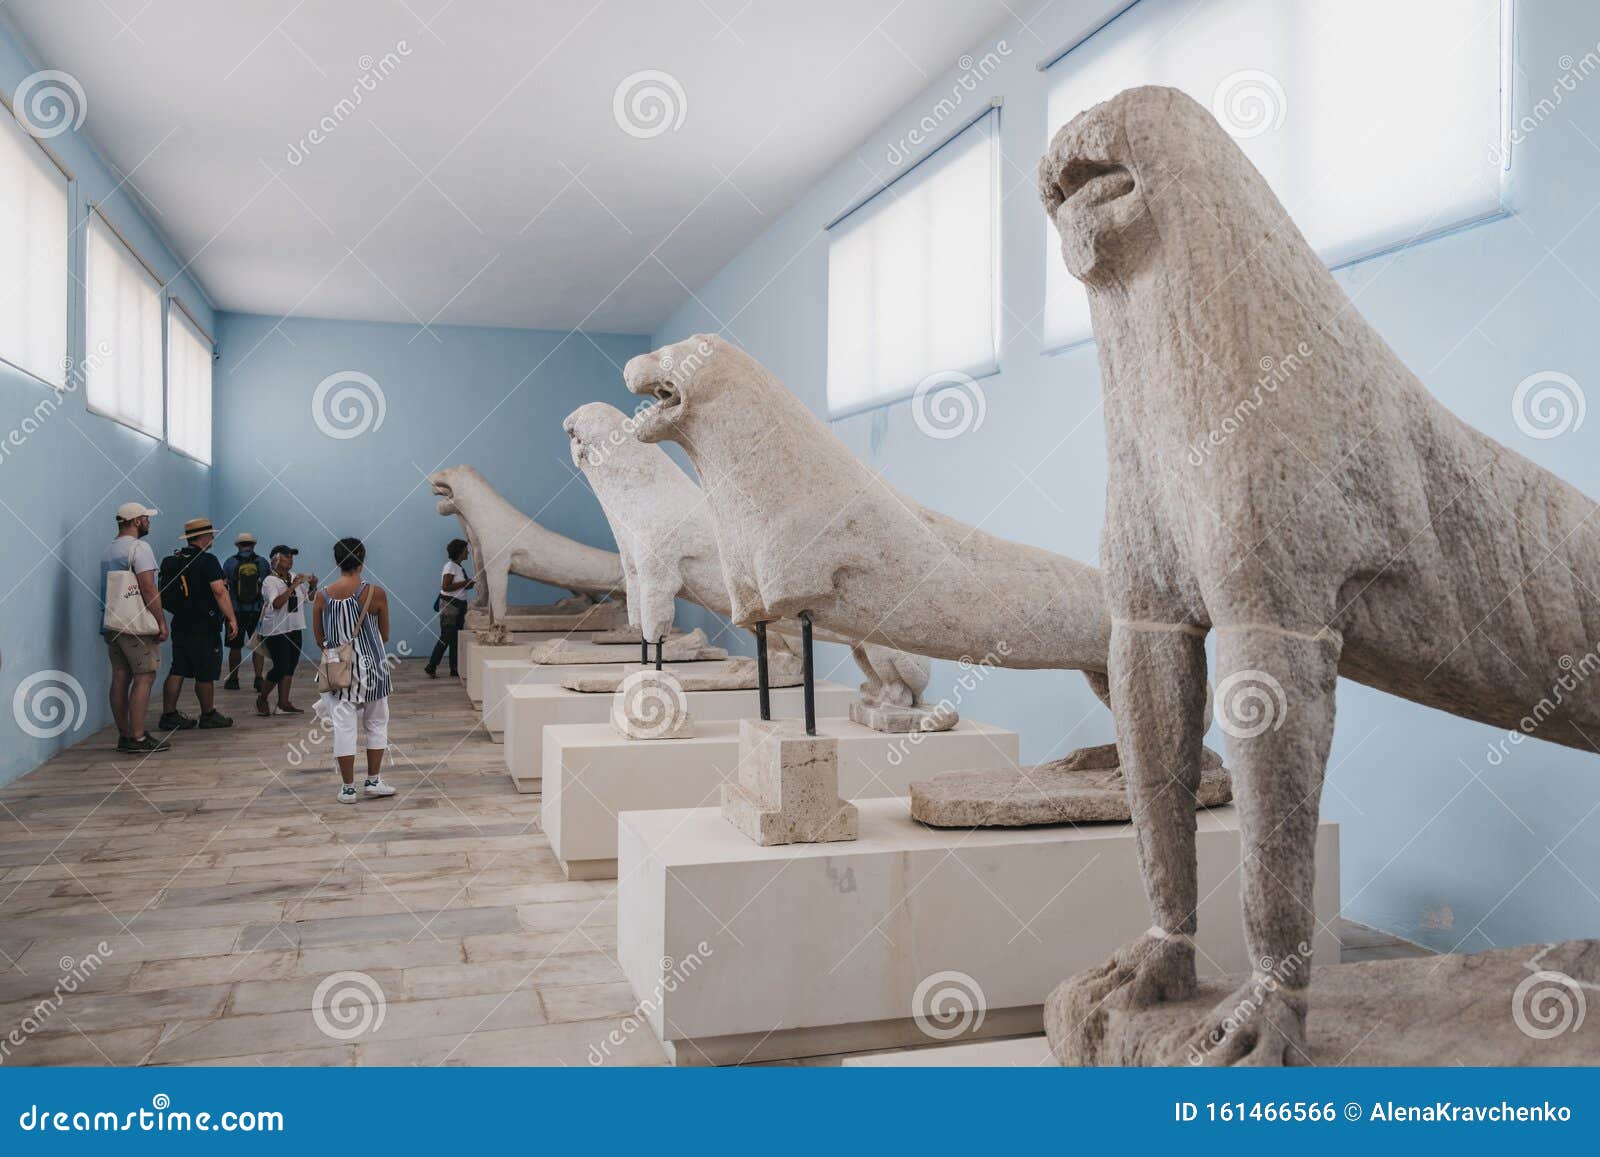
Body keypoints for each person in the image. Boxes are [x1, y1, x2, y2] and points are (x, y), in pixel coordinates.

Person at [311, 537, 397, 804]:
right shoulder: (376, 593)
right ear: (362, 560)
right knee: (376, 723)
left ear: (337, 561)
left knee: (344, 728)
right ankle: (373, 781)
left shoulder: (322, 596)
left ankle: (348, 788)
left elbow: (320, 638)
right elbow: (384, 635)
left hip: (339, 669)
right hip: (373, 668)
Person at [101, 501, 170, 753]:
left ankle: (125, 734)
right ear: (137, 521)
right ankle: (138, 738)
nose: (149, 522)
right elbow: (148, 587)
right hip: (136, 625)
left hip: (111, 622)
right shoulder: (139, 548)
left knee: (120, 676)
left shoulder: (109, 550)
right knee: (145, 676)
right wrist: (161, 621)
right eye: (146, 518)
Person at [157, 518, 237, 731]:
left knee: (178, 668)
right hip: (204, 625)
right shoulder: (207, 560)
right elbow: (219, 591)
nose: (212, 537)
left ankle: (169, 714)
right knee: (205, 671)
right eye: (211, 534)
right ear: (204, 537)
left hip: (180, 622)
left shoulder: (175, 559)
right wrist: (231, 618)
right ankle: (208, 714)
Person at [256, 545, 315, 717]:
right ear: (275, 560)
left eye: (291, 557)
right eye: (286, 557)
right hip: (275, 630)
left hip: (295, 627)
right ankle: (262, 698)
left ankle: (283, 703)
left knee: (290, 667)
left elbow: (309, 599)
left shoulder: (295, 576)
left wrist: (312, 586)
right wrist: (292, 586)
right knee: (280, 667)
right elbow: (276, 604)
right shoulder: (269, 581)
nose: (290, 560)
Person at [424, 537, 475, 678]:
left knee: (455, 639)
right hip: (450, 605)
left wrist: (467, 585)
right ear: (459, 552)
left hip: (458, 604)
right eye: (466, 550)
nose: (468, 553)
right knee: (446, 636)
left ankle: (454, 669)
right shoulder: (450, 567)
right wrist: (465, 583)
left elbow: (456, 586)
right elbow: (445, 587)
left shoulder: (457, 567)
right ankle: (431, 666)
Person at [222, 532, 267, 691]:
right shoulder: (262, 563)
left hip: (234, 611)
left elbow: (223, 587)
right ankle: (259, 679)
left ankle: (233, 680)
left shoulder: (229, 563)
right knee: (258, 646)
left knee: (235, 647)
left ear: (238, 545)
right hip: (256, 611)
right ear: (253, 545)